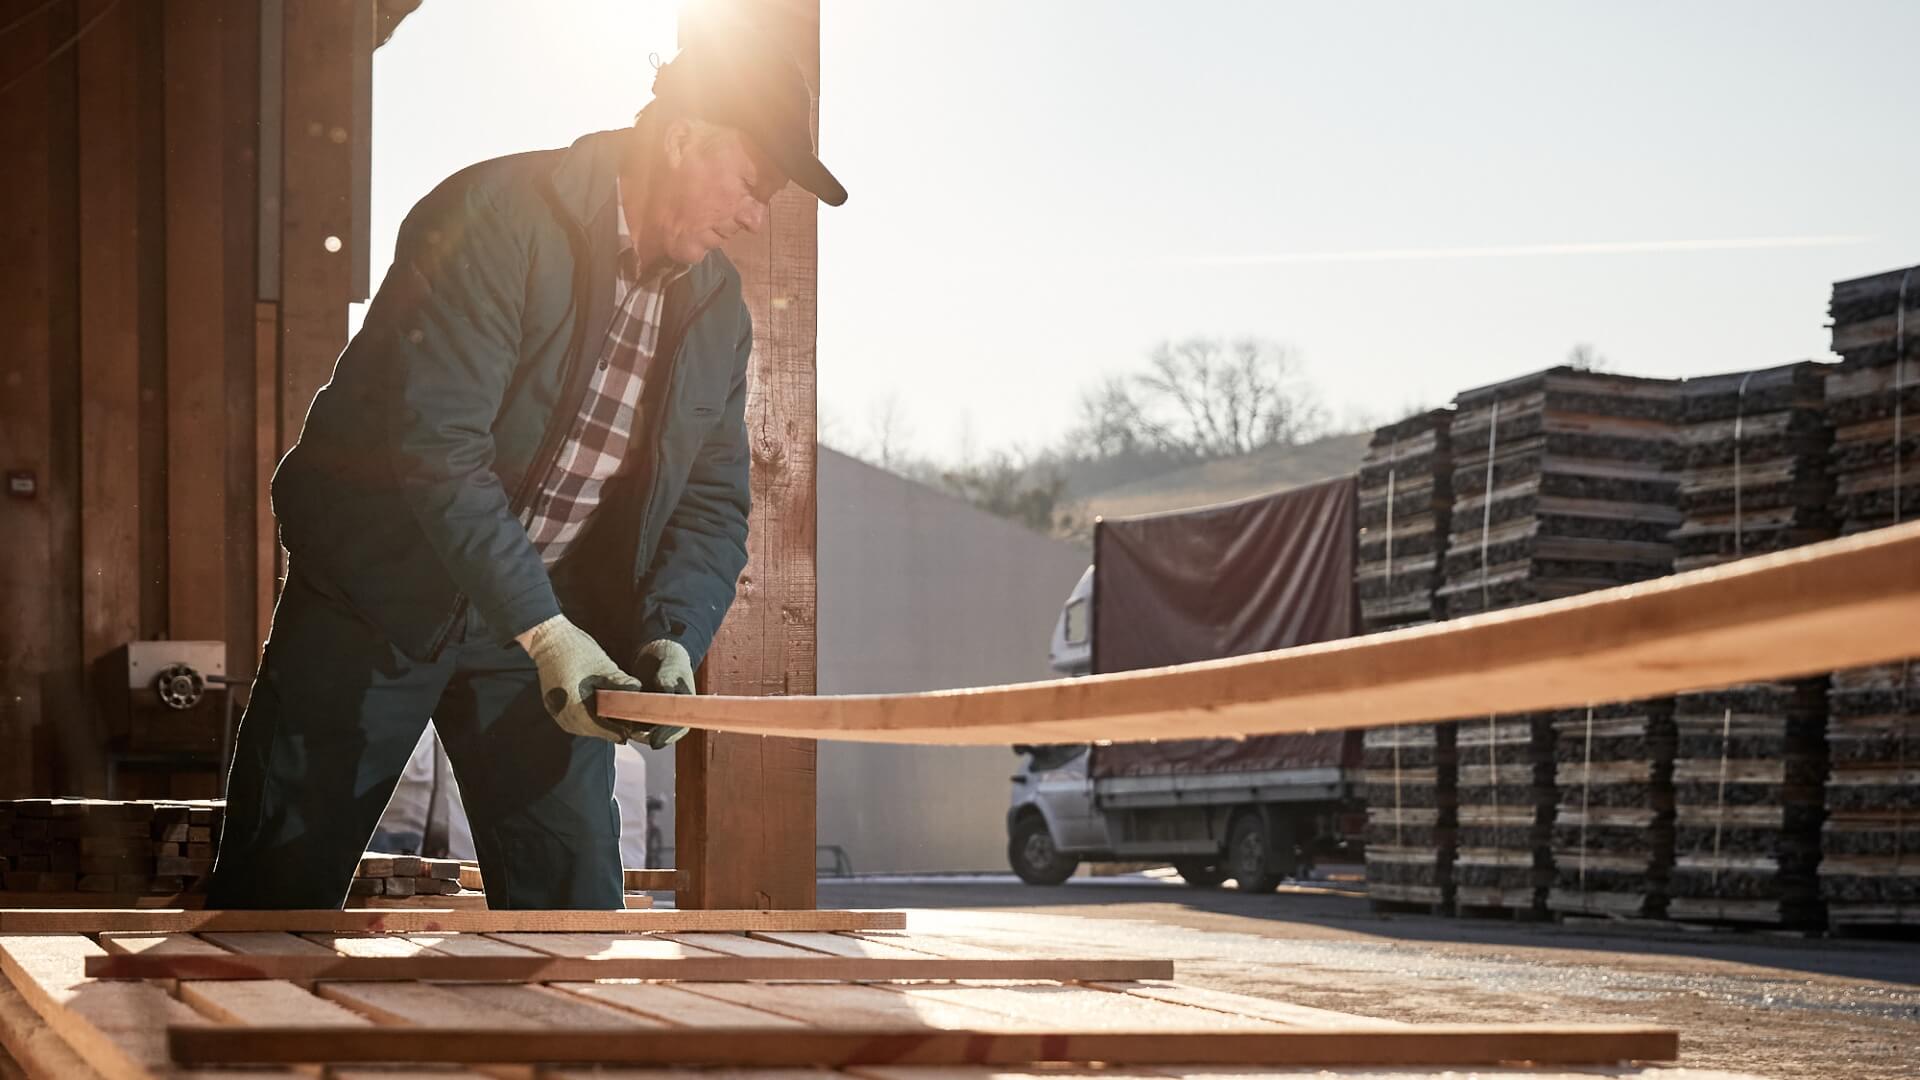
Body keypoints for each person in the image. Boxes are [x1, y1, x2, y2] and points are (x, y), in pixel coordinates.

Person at [206, 25, 846, 910]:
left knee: (575, 904)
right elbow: (439, 450)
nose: (753, 215)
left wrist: (672, 633)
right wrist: (545, 630)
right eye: (750, 184)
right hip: (378, 596)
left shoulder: (717, 312)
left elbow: (712, 504)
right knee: (274, 894)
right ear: (683, 135)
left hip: (542, 622)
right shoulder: (496, 217)